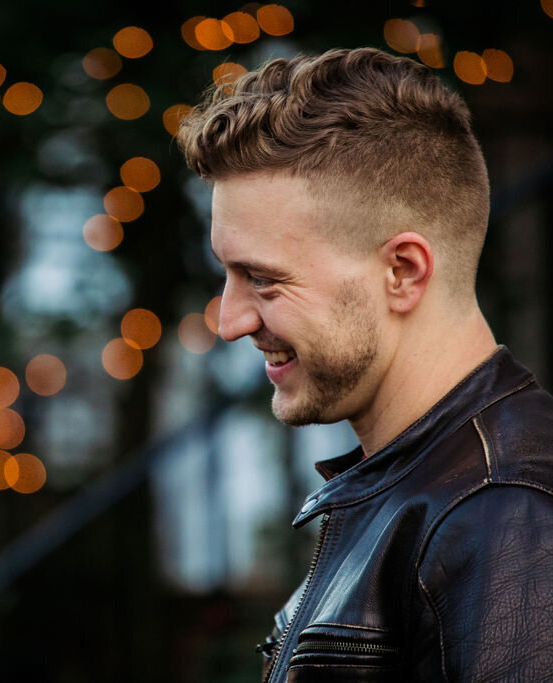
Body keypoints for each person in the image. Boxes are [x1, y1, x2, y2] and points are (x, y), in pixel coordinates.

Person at [177, 47, 553, 681]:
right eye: (227, 274)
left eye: (262, 280)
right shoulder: (431, 491)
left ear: (402, 271)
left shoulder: (504, 515)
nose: (229, 320)